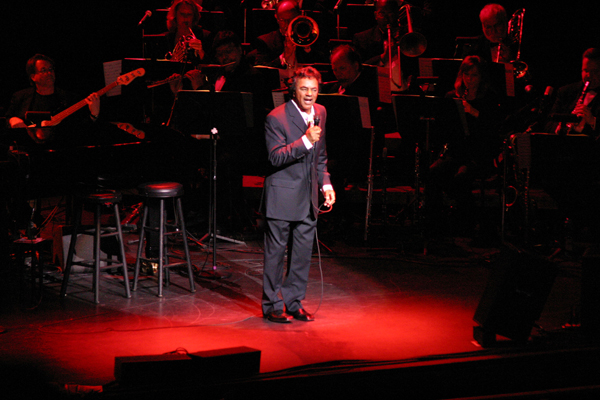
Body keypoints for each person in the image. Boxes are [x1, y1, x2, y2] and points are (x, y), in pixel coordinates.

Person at [262, 66, 335, 323]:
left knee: (302, 254)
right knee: (276, 254)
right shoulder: (276, 118)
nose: (309, 94)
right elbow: (275, 157)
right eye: (304, 89)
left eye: (314, 89)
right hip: (282, 194)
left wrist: (326, 185)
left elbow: (321, 156)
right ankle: (272, 305)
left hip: (308, 197)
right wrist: (305, 141)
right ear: (294, 90)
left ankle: (294, 302)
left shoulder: (321, 112)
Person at [425, 55, 503, 236]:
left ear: (481, 77)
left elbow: (494, 130)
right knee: (433, 172)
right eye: (466, 75)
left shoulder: (489, 98)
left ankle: (466, 220)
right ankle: (436, 224)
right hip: (457, 151)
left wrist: (474, 112)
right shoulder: (452, 96)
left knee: (461, 176)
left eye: (474, 75)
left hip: (479, 153)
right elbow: (443, 128)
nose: (469, 79)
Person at [5, 54, 100, 129]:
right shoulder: (20, 97)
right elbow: (7, 119)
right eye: (43, 70)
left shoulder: (69, 98)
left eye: (51, 69)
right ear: (33, 77)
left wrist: (94, 114)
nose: (49, 73)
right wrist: (12, 120)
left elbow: (81, 128)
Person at [248, 0, 327, 69]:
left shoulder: (311, 36)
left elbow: (323, 64)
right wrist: (284, 56)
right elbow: (261, 71)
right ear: (276, 18)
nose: (287, 25)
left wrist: (307, 48)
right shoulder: (265, 41)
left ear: (298, 16)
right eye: (282, 20)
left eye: (291, 19)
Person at [547, 48, 600, 137]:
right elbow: (549, 123)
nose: (589, 75)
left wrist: (593, 121)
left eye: (594, 71)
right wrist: (561, 126)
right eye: (586, 70)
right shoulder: (565, 92)